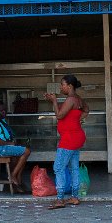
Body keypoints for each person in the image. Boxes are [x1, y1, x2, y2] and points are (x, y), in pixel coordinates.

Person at [44, 74, 89, 210]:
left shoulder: (70, 99)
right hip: (77, 136)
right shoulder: (78, 99)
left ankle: (59, 199)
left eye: (62, 84)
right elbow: (87, 110)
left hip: (69, 139)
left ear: (69, 86)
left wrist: (54, 101)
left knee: (58, 168)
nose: (60, 87)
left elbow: (59, 115)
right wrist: (79, 119)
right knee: (73, 167)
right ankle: (74, 197)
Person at [0, 97, 30, 191]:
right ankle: (12, 176)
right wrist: (9, 144)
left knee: (22, 150)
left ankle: (16, 178)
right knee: (27, 151)